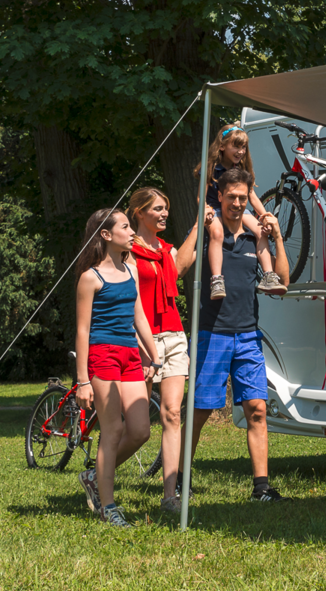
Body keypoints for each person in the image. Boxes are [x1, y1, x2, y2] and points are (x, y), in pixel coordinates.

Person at [187, 166, 292, 502]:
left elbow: (283, 282)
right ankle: (179, 479)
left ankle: (261, 487)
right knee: (200, 411)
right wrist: (196, 227)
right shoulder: (208, 231)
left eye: (242, 198)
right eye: (230, 196)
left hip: (247, 335)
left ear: (249, 199)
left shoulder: (255, 235)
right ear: (219, 195)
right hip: (212, 334)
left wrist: (276, 236)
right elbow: (178, 267)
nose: (235, 203)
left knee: (257, 409)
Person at [74, 207, 163, 527]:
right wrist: (83, 380)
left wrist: (154, 355)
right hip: (102, 355)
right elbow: (82, 330)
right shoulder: (90, 278)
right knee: (111, 430)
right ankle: (108, 506)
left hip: (130, 355)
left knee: (140, 431)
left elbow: (138, 315)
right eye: (126, 227)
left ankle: (94, 475)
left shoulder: (132, 269)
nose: (132, 232)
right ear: (106, 235)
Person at [126, 187, 196, 515]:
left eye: (166, 208)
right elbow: (130, 300)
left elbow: (181, 265)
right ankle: (100, 474)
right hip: (143, 338)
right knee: (137, 428)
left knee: (172, 413)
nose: (164, 213)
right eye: (157, 209)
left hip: (175, 335)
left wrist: (199, 226)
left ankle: (170, 495)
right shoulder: (127, 250)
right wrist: (145, 348)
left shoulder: (166, 251)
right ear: (139, 213)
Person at [199, 124, 283, 300]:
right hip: (215, 207)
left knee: (260, 230)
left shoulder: (241, 170)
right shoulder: (212, 167)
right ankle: (216, 279)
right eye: (236, 146)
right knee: (216, 232)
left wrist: (265, 216)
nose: (240, 151)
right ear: (222, 146)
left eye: (243, 147)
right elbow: (201, 196)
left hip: (237, 209)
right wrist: (205, 210)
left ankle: (268, 275)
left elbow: (252, 196)